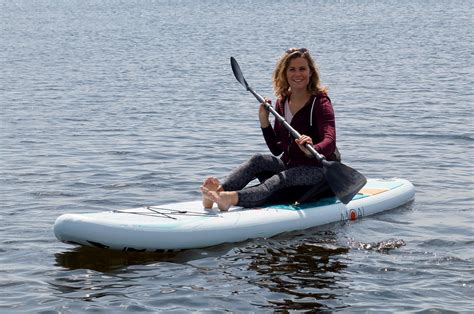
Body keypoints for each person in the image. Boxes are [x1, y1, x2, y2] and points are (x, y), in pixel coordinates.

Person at [201, 48, 338, 211]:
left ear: (310, 73)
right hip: (290, 165)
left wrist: (313, 149)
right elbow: (276, 149)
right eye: (292, 69)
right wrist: (264, 121)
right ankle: (219, 192)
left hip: (319, 171)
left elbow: (330, 141)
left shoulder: (321, 103)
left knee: (278, 179)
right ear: (285, 73)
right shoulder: (281, 103)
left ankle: (230, 198)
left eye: (302, 69)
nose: (297, 74)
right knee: (258, 160)